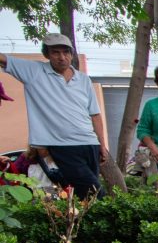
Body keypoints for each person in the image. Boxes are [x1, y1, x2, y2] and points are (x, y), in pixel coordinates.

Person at [0, 33, 108, 199]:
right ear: (47, 54)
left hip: (89, 143)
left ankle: (77, 223)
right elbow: (4, 60)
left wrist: (102, 144)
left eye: (66, 52)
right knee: (95, 193)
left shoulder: (83, 80)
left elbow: (95, 114)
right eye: (55, 52)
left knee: (82, 197)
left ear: (72, 54)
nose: (61, 57)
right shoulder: (34, 71)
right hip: (62, 145)